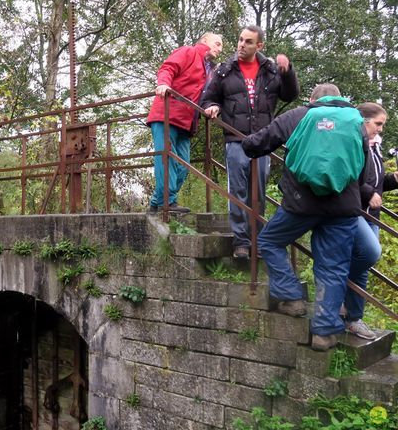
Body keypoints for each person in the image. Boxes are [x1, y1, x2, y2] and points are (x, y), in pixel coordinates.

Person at [242, 83, 367, 351]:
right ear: (340, 98)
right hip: (343, 207)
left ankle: (292, 297)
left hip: (301, 204)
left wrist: (245, 142)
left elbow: (259, 143)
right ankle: (323, 332)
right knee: (334, 266)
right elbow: (363, 168)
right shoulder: (355, 120)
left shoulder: (299, 115)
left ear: (312, 99)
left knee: (269, 242)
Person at [200, 25, 300, 258]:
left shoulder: (270, 70)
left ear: (259, 46)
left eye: (248, 42)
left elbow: (289, 94)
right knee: (237, 191)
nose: (241, 45)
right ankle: (241, 242)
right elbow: (208, 97)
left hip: (263, 142)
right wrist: (211, 106)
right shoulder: (224, 70)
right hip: (235, 139)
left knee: (258, 192)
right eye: (240, 40)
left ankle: (257, 240)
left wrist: (288, 72)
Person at [146, 32, 224, 213]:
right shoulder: (188, 51)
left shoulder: (210, 70)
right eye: (217, 44)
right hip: (167, 114)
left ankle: (157, 202)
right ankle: (167, 202)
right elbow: (168, 68)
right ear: (204, 41)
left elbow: (209, 95)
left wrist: (213, 107)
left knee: (183, 166)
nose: (219, 49)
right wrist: (164, 84)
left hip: (187, 122)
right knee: (165, 159)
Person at [345, 103, 398, 339]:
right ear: (363, 121)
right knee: (369, 254)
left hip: (371, 215)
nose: (380, 130)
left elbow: (377, 183)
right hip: (355, 211)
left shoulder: (374, 146)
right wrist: (368, 193)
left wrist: (394, 179)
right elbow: (349, 177)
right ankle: (337, 286)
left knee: (364, 266)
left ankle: (353, 318)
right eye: (378, 124)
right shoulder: (352, 143)